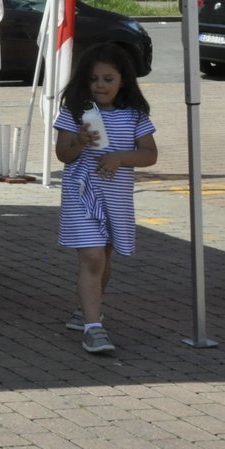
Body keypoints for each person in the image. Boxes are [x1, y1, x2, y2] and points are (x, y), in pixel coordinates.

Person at [54, 43, 158, 356]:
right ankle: (93, 328)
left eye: (108, 79)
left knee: (105, 258)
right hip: (81, 195)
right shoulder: (75, 112)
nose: (100, 85)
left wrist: (120, 158)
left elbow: (150, 154)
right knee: (93, 257)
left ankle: (88, 310)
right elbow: (63, 154)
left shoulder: (135, 115)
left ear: (122, 80)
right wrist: (80, 141)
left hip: (116, 199)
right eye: (94, 79)